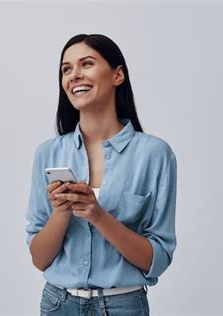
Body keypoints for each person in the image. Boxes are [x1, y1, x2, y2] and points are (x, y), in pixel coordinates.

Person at [25, 34, 177, 316]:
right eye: (66, 69)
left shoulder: (155, 154)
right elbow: (40, 258)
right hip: (58, 304)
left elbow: (157, 260)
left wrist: (97, 214)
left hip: (123, 306)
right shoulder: (47, 153)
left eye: (87, 64)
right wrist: (61, 211)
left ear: (117, 74)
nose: (74, 75)